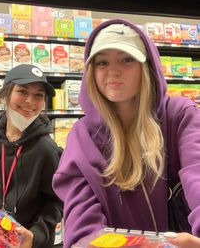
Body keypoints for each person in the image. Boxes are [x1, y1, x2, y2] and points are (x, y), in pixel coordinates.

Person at [52, 18, 200, 248]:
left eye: (127, 59)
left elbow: (197, 175)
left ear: (147, 67)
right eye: (101, 62)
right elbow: (83, 227)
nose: (113, 71)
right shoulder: (82, 138)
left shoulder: (179, 116)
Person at [0, 64, 63, 248]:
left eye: (38, 95)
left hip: (23, 241)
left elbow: (56, 201)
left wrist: (35, 235)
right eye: (22, 91)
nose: (30, 101)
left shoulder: (46, 149)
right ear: (6, 93)